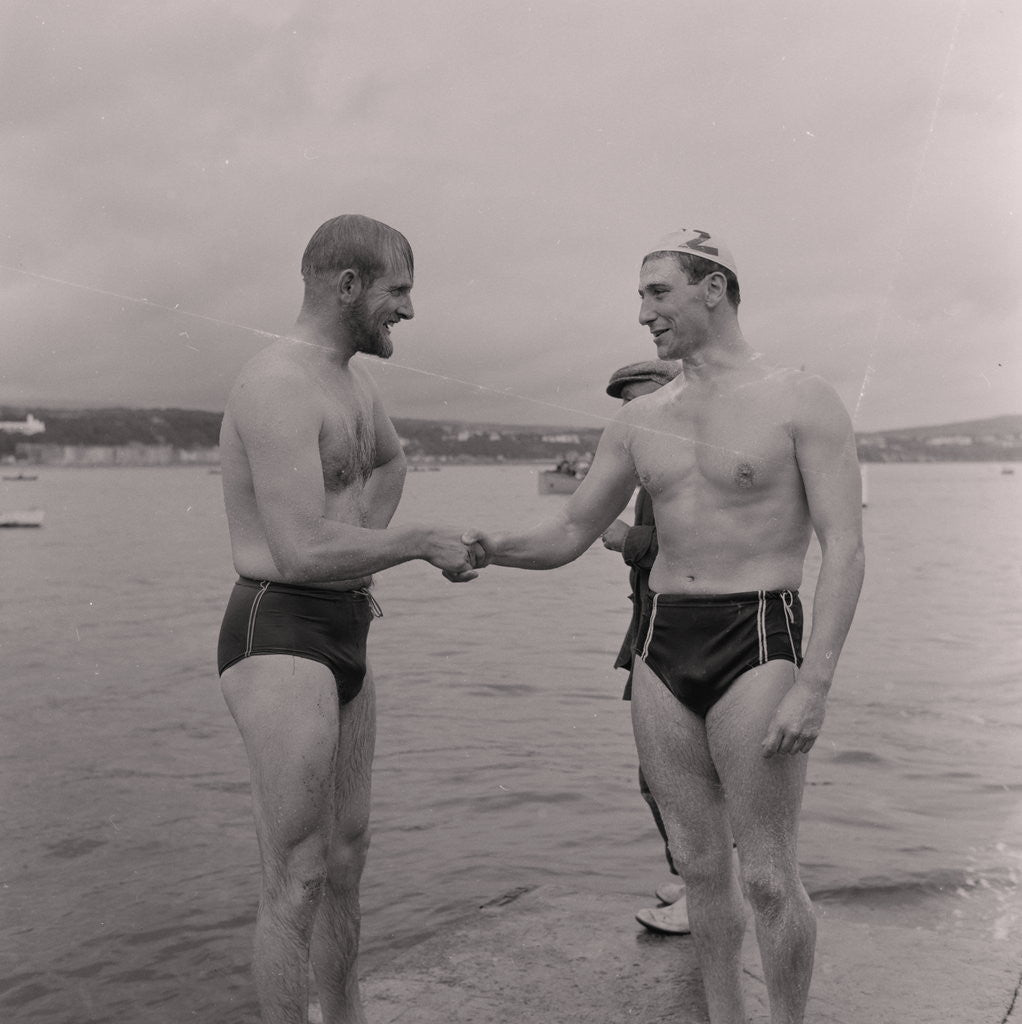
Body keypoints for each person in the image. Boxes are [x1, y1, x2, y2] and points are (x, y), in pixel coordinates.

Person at [465, 229, 864, 1024]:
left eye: (658, 292)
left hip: (758, 636)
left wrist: (815, 684)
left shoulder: (800, 398)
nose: (643, 313)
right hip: (662, 643)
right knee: (700, 869)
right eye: (642, 296)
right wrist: (485, 548)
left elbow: (845, 546)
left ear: (712, 288)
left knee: (769, 877)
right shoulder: (640, 419)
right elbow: (570, 532)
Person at [216, 214, 479, 1024]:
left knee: (346, 857)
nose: (408, 310)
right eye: (399, 290)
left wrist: (365, 548)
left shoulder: (356, 383)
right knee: (294, 874)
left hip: (346, 622)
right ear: (349, 286)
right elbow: (294, 549)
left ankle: (349, 1016)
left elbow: (390, 459)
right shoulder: (276, 384)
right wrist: (412, 542)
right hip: (282, 628)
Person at [599, 359, 691, 936]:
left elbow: (698, 546)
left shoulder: (683, 462)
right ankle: (693, 879)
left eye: (641, 401)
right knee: (660, 774)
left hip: (683, 640)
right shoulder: (650, 468)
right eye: (625, 406)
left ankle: (703, 891)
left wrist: (625, 539)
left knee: (671, 775)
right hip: (653, 637)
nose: (632, 415)